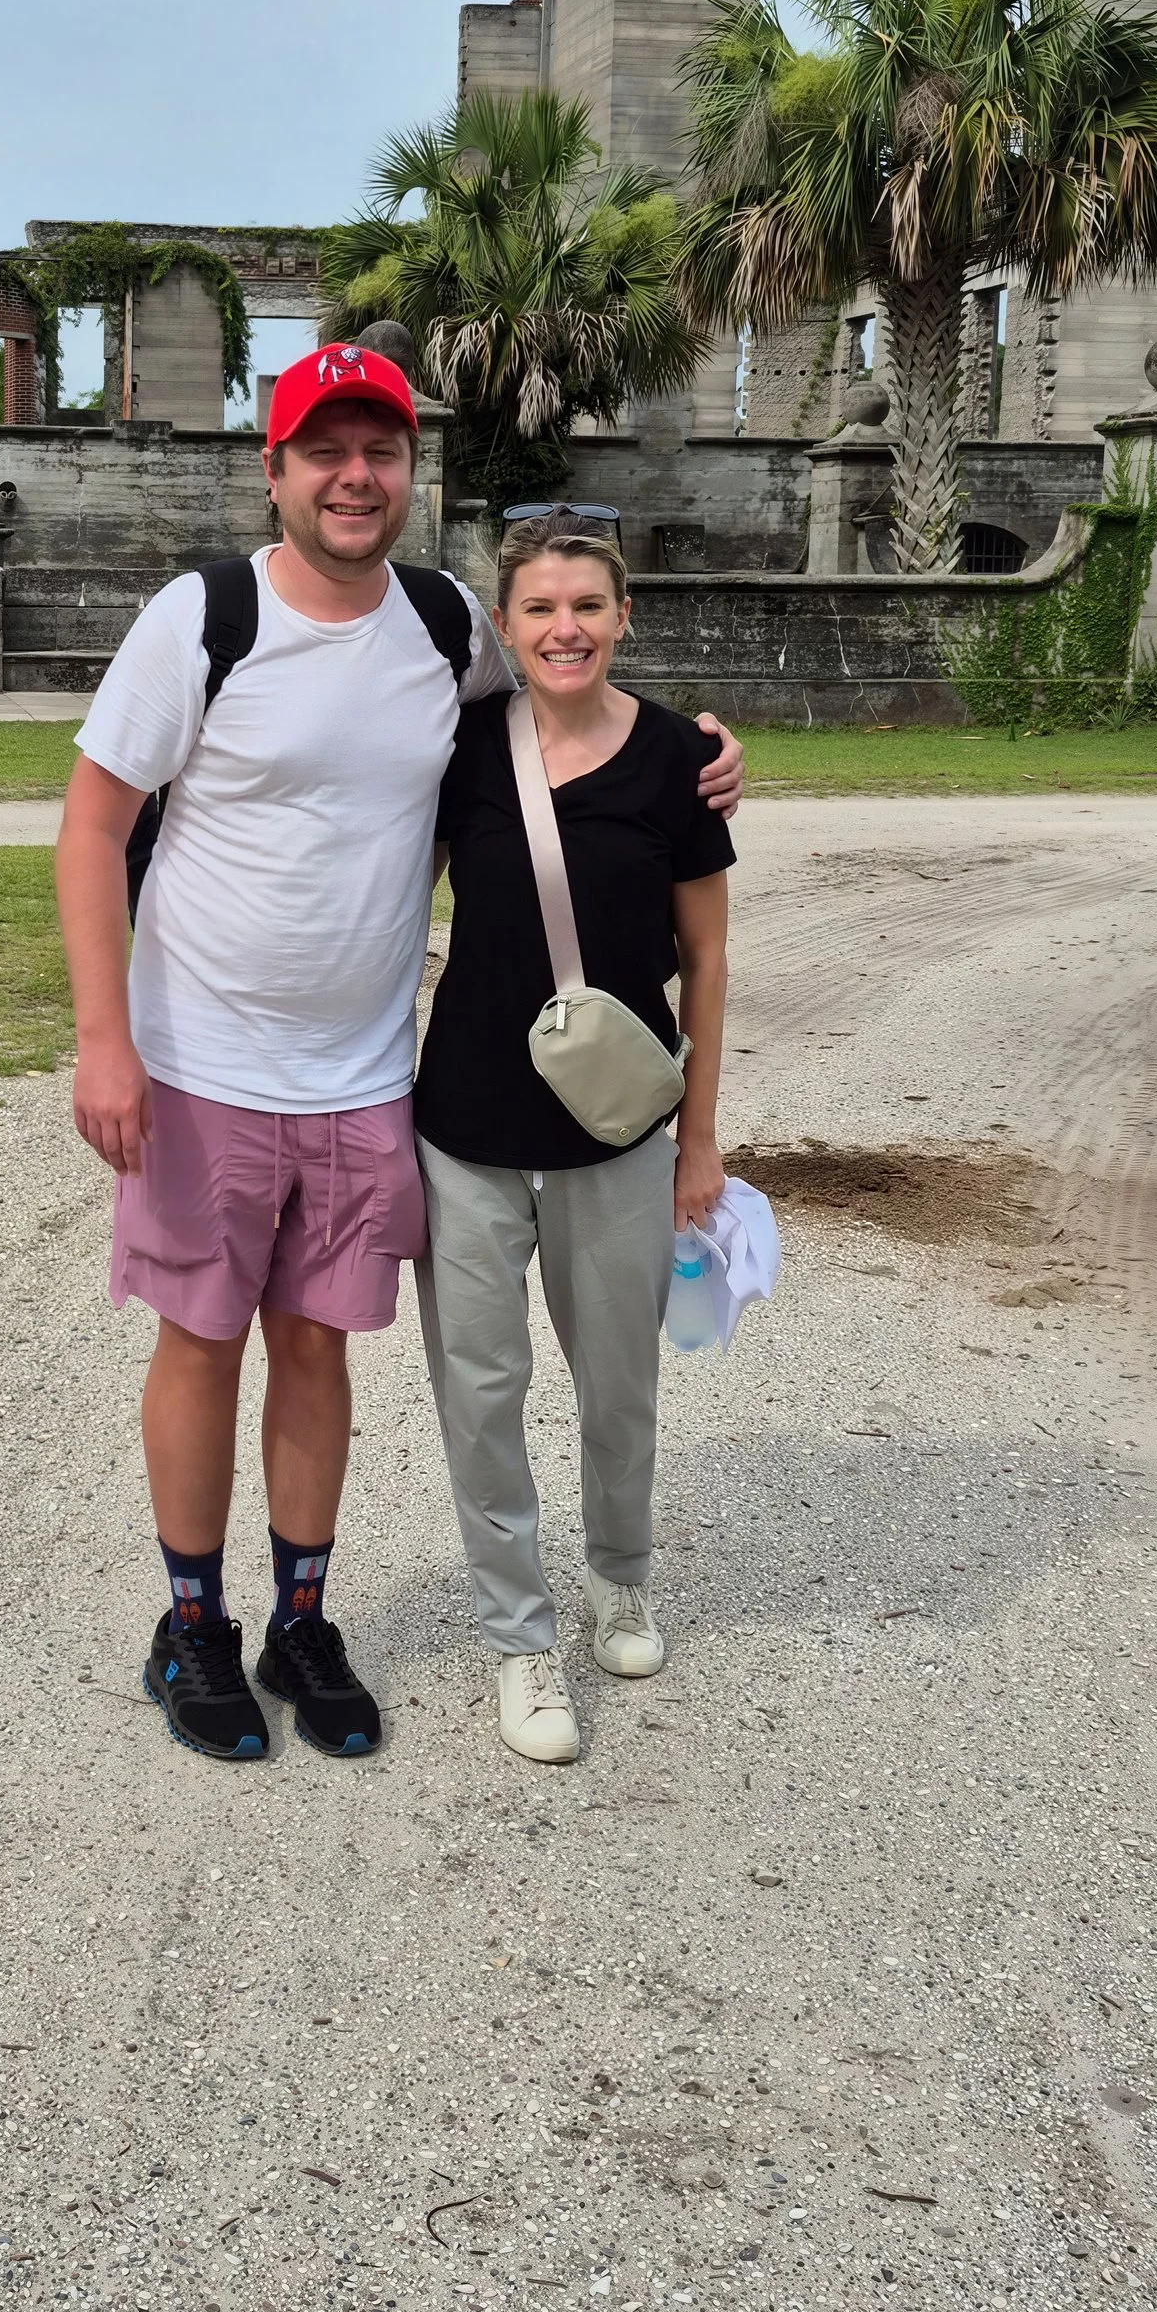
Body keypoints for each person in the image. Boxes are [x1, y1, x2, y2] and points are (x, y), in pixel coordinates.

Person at [53, 355, 743, 1764]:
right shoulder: (205, 618)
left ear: (410, 472)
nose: (356, 475)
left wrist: (699, 748)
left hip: (367, 1072)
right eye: (327, 450)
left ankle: (304, 1614)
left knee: (318, 1346)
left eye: (381, 449)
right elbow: (87, 827)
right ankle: (195, 1624)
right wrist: (103, 1038)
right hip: (201, 1064)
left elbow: (568, 677)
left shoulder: (442, 627)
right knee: (203, 1339)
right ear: (275, 468)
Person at [410, 512, 733, 1766]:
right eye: (539, 609)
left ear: (624, 616)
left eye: (586, 606)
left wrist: (700, 1140)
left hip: (620, 1136)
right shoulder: (459, 757)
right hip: (465, 1130)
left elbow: (703, 957)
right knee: (480, 1395)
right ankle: (517, 1636)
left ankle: (621, 1575)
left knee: (618, 1381)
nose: (564, 629)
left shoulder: (675, 761)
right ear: (505, 625)